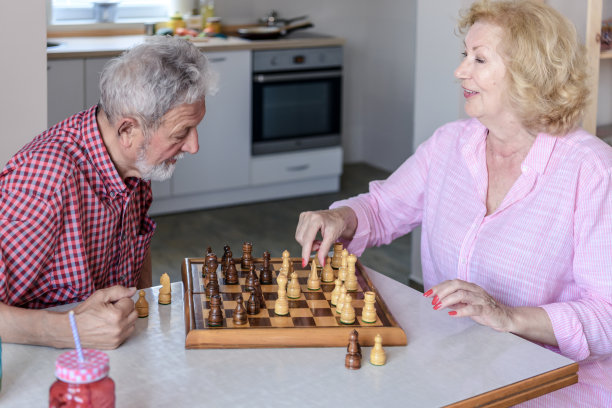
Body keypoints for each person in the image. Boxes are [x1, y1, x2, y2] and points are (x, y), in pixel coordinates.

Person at [295, 0, 612, 405]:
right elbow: (382, 207)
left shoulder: (592, 171)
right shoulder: (449, 143)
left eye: (480, 59)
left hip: (550, 391)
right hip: (454, 372)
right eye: (465, 54)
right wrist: (339, 216)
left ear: (530, 74)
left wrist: (508, 317)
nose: (460, 70)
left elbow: (607, 314)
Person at [0, 36, 216, 349]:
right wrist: (68, 331)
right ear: (127, 130)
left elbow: (138, 250)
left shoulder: (136, 161)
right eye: (180, 133)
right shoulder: (47, 180)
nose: (194, 146)